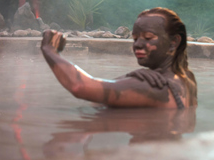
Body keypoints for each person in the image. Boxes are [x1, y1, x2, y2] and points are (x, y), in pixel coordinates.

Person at [41, 7, 197, 108]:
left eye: (148, 38)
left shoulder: (153, 86)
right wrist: (128, 78)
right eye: (135, 39)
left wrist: (49, 50)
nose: (138, 45)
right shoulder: (186, 79)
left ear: (173, 42)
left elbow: (80, 87)